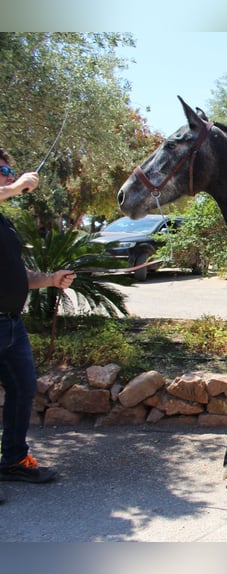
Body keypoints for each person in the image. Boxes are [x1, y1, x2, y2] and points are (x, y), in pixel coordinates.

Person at [0, 147, 76, 500]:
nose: (9, 175)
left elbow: (19, 275)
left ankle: (13, 460)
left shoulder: (4, 224)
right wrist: (17, 187)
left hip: (12, 327)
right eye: (3, 169)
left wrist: (50, 279)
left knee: (23, 388)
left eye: (9, 171)